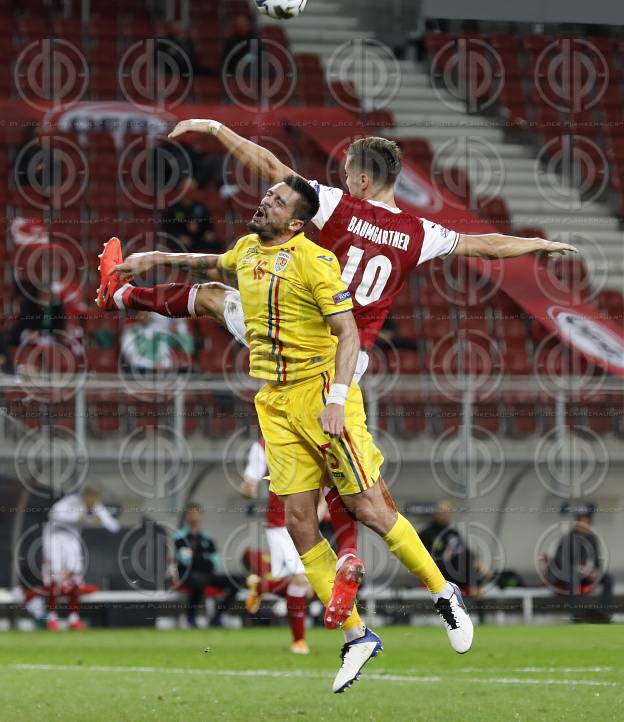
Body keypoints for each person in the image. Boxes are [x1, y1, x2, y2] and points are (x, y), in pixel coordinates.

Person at [97, 176, 474, 694]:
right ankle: (358, 636)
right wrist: (153, 256)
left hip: (321, 395)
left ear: (296, 222)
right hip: (273, 400)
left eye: (276, 200)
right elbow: (210, 265)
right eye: (267, 194)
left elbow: (347, 333)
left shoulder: (315, 261)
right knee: (298, 524)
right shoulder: (250, 248)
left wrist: (339, 400)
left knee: (369, 507)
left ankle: (443, 592)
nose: (264, 200)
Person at [240, 438, 313, 654]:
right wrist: (248, 488)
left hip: (306, 522)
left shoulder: (307, 437)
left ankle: (262, 587)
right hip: (280, 524)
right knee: (302, 580)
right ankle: (299, 641)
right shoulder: (263, 445)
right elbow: (249, 485)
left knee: (306, 586)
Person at [43, 486, 120, 631]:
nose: (91, 500)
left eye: (94, 497)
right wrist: (80, 516)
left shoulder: (96, 506)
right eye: (89, 496)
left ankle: (74, 619)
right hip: (54, 537)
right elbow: (53, 514)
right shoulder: (71, 501)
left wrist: (100, 520)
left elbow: (114, 526)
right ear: (83, 495)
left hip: (72, 540)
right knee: (54, 575)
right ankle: (51, 618)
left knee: (75, 577)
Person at [175, 502, 241, 628]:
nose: (194, 516)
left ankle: (217, 617)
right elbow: (185, 561)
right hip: (187, 576)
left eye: (197, 512)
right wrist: (204, 558)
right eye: (191, 513)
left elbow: (215, 562)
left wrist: (196, 557)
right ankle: (191, 617)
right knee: (199, 581)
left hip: (207, 574)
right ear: (187, 516)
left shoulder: (207, 538)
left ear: (201, 515)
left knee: (236, 581)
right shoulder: (180, 537)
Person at [546, 510, 613, 624]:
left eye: (587, 523)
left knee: (608, 579)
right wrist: (581, 570)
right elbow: (562, 564)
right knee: (573, 578)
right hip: (567, 576)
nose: (585, 526)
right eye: (582, 523)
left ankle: (604, 613)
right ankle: (577, 616)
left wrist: (594, 573)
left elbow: (596, 562)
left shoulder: (592, 539)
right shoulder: (567, 539)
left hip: (586, 575)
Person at [419, 500, 493, 598]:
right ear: (436, 512)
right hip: (438, 570)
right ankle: (478, 583)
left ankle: (483, 579)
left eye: (445, 512)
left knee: (468, 557)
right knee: (466, 557)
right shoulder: (426, 533)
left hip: (455, 570)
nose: (443, 515)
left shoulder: (453, 532)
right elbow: (421, 556)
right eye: (441, 512)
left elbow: (464, 550)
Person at [120, 310, 193, 376]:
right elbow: (132, 357)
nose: (146, 315)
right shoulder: (130, 332)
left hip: (162, 371)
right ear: (137, 315)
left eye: (148, 312)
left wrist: (164, 364)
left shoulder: (159, 331)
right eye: (142, 313)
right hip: (141, 371)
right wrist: (153, 365)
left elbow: (165, 351)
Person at [161, 179, 219, 253]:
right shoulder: (173, 209)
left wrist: (209, 232)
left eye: (191, 190)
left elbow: (208, 224)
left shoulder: (199, 207)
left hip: (199, 239)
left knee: (213, 245)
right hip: (180, 240)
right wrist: (178, 236)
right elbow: (167, 228)